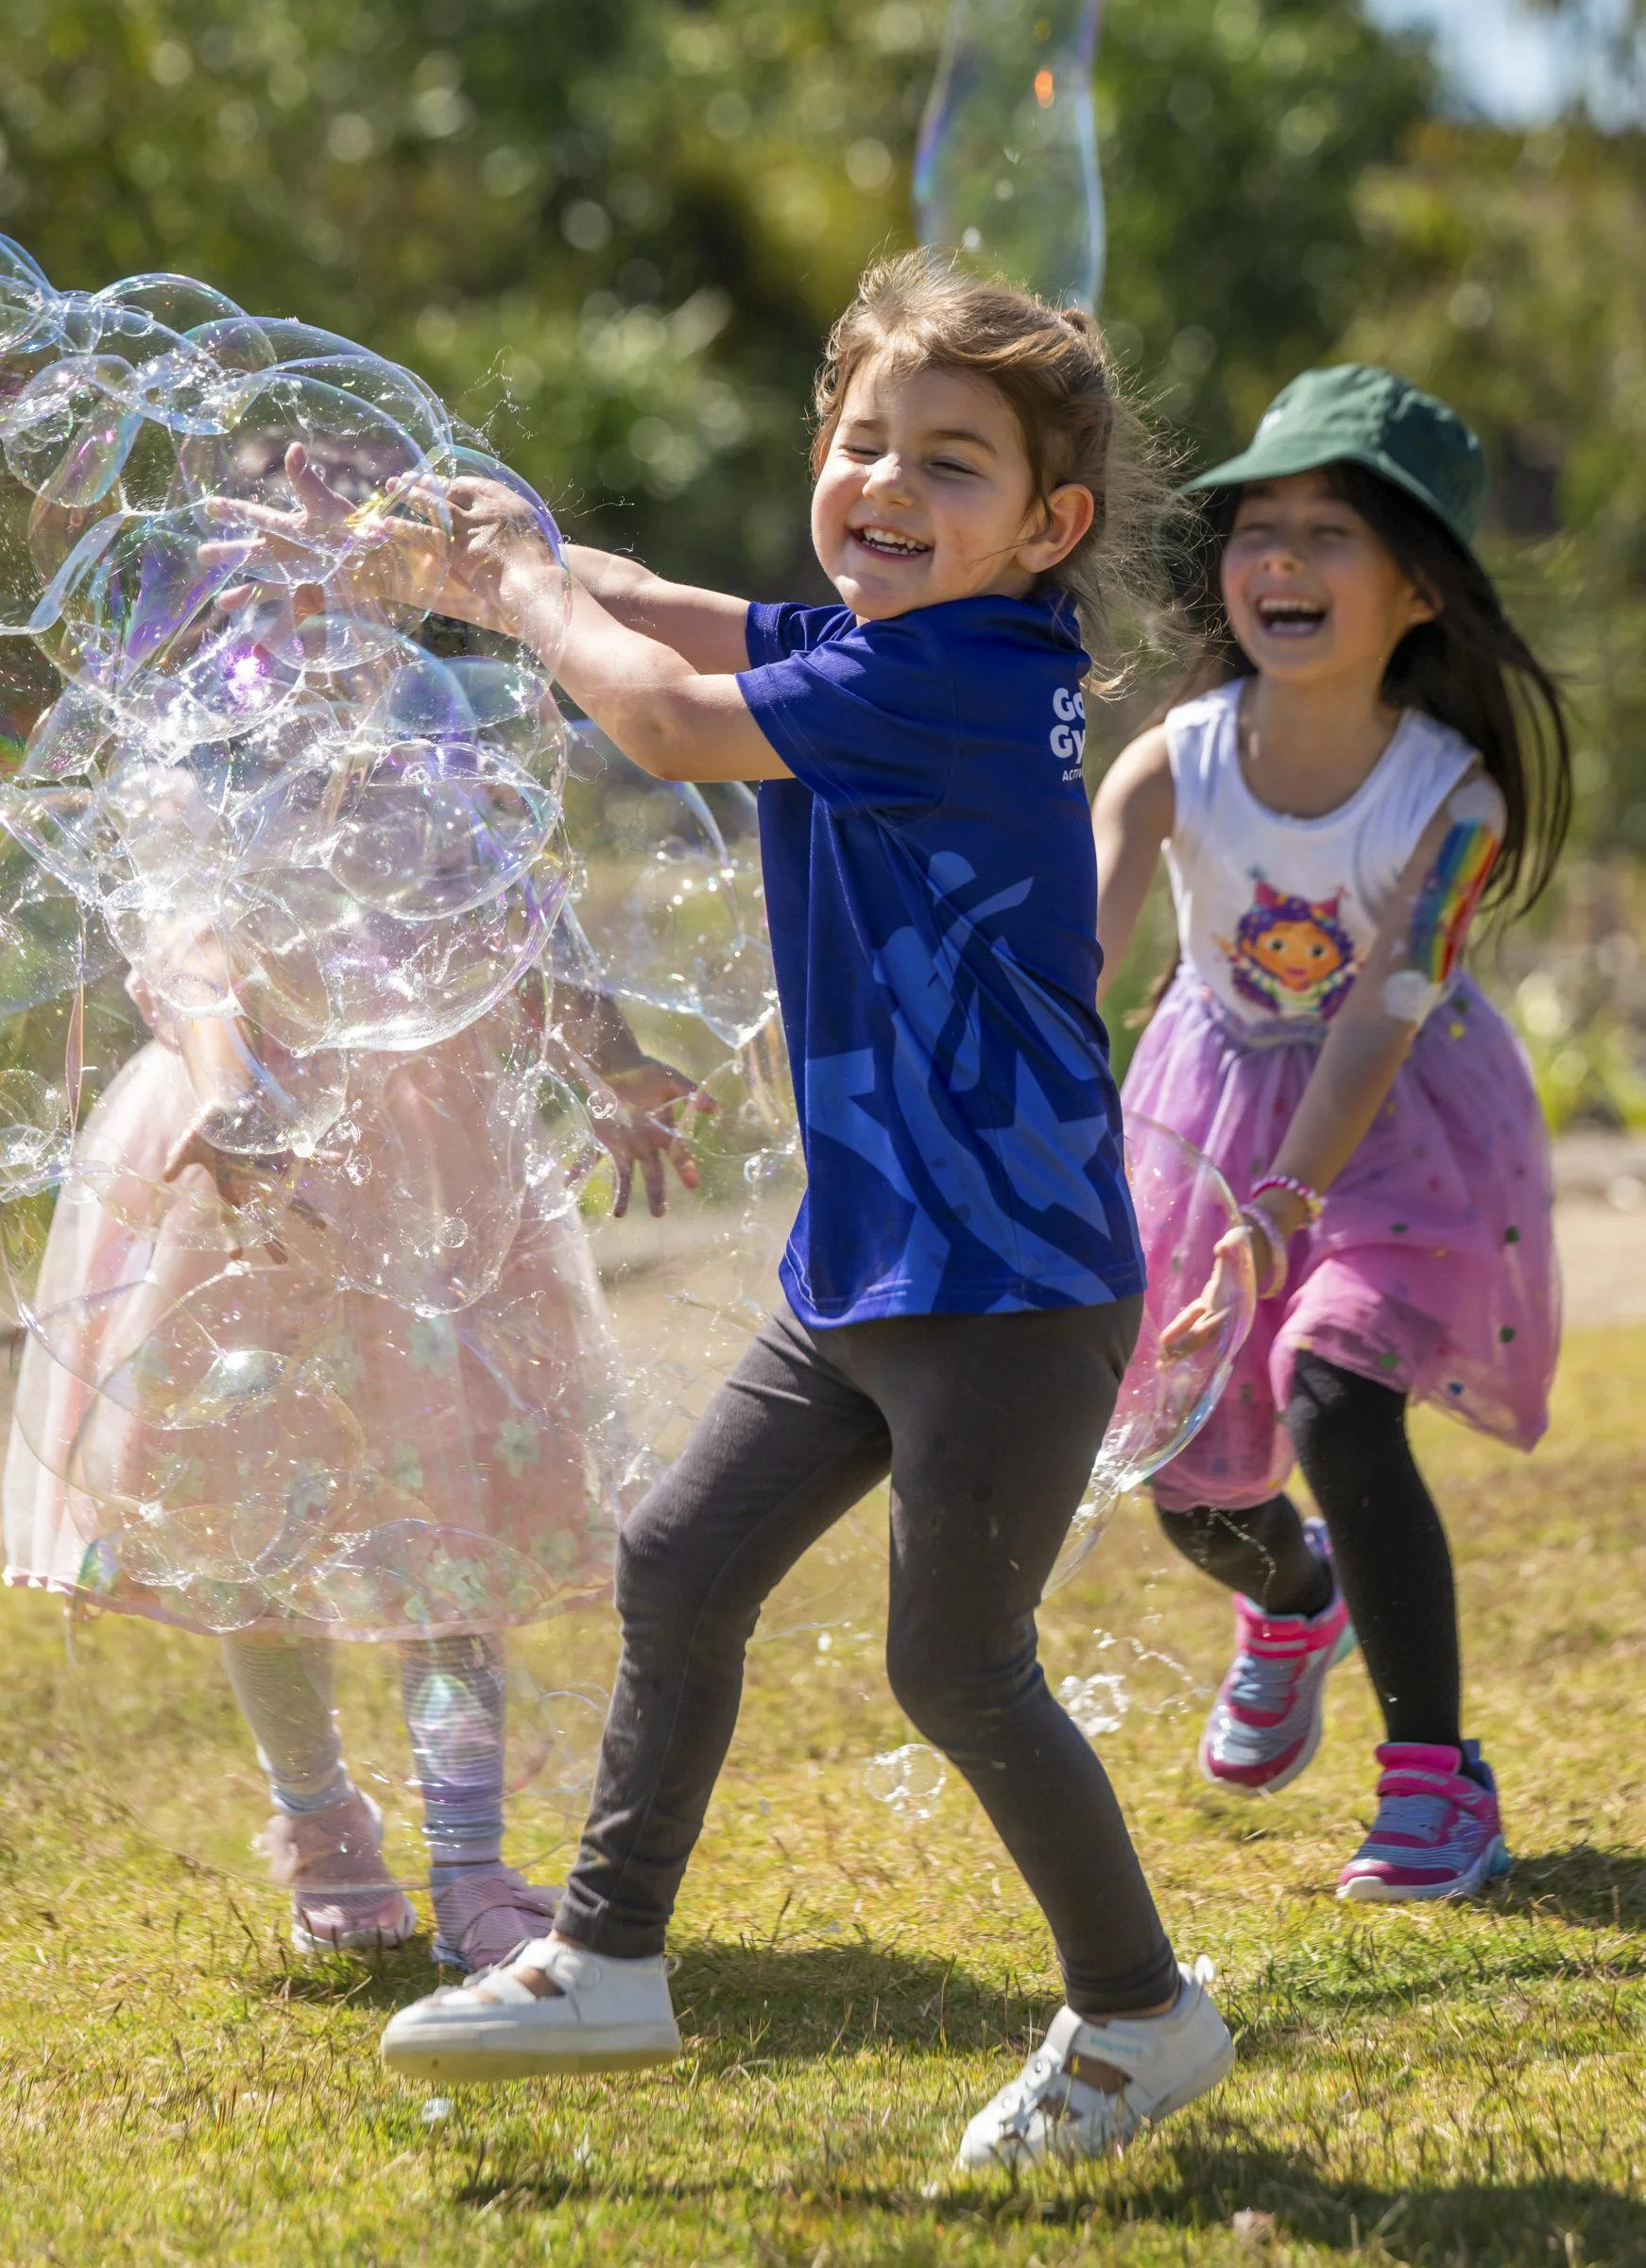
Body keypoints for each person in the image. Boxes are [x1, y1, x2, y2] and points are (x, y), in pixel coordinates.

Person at [324, 254, 1241, 2166]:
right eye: (861, 441)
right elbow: (680, 623)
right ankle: (607, 1956)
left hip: (1001, 1284)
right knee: (678, 1562)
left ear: (1050, 526)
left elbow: (660, 716)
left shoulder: (958, 680)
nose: (886, 482)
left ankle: (1139, 2011)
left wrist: (525, 595)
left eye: (952, 464)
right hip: (874, 1266)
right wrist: (518, 556)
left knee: (952, 1665)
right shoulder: (892, 645)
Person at [3, 868, 702, 1973]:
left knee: (448, 1522)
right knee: (258, 1514)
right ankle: (321, 1820)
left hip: (435, 1165)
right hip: (247, 1157)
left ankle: (471, 1865)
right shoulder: (215, 746)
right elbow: (193, 952)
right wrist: (231, 1092)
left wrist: (608, 1060)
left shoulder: (439, 739)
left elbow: (517, 909)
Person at [1092, 366, 1569, 1900]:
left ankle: (1434, 1779)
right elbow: (1071, 964)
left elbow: (1379, 1009)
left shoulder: (1453, 798)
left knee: (1331, 1394)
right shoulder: (1172, 759)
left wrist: (1287, 1198)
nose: (1280, 561)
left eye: (1330, 533)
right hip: (1204, 1113)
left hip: (1396, 1129)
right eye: (1258, 528)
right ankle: (1291, 1595)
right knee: (1184, 1476)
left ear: (1421, 588)